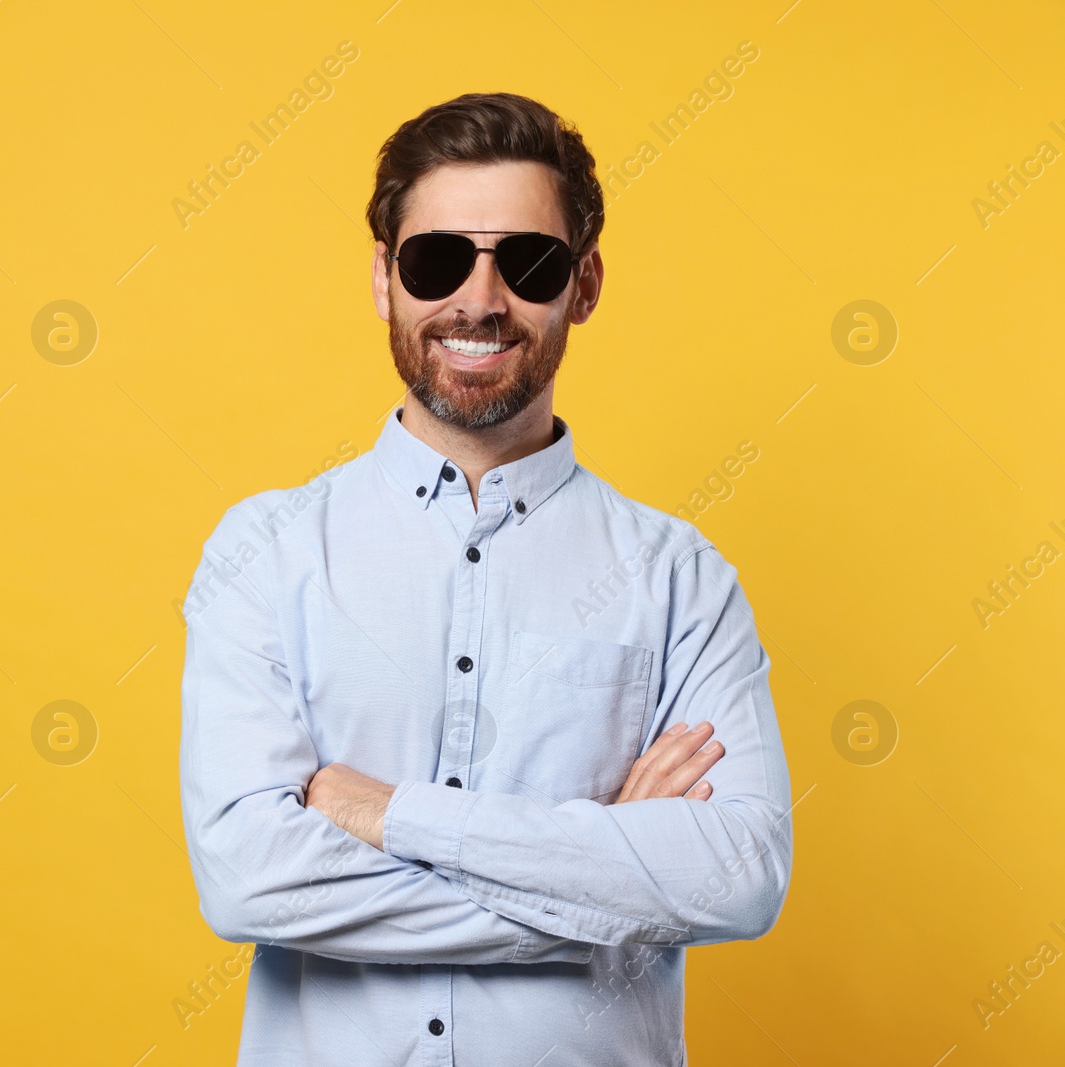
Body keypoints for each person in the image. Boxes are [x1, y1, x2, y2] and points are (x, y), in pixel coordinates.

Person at [178, 91, 793, 1067]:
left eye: (527, 262)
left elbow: (738, 875)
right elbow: (250, 879)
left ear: (582, 283)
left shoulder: (681, 579)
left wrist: (394, 814)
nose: (478, 299)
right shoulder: (266, 549)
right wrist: (603, 872)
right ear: (385, 279)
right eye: (436, 260)